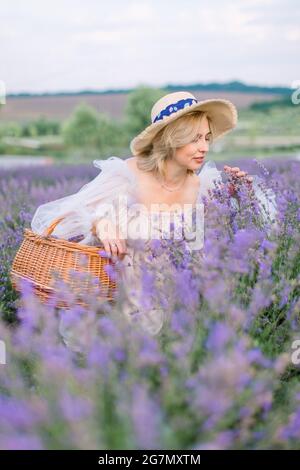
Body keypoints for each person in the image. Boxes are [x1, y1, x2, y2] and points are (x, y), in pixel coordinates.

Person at [31, 91, 278, 338]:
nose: (204, 147)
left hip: (175, 309)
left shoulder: (203, 187)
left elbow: (229, 240)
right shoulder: (127, 174)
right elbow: (73, 213)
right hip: (111, 303)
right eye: (194, 139)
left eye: (207, 138)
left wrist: (238, 198)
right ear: (171, 139)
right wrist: (102, 223)